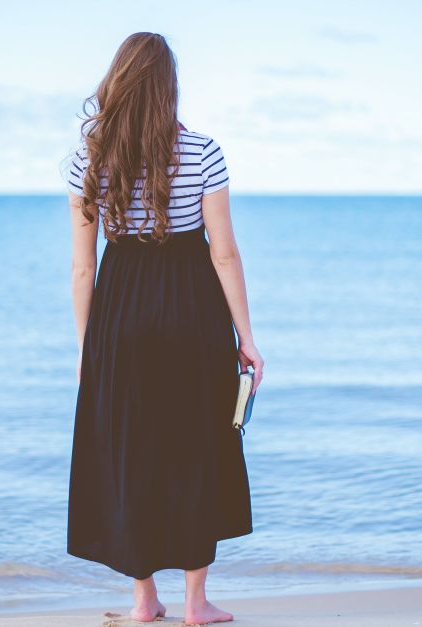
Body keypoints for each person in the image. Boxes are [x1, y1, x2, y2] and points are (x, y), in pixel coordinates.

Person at [64, 32, 264, 625]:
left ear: (118, 81)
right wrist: (247, 337)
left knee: (132, 452)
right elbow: (224, 255)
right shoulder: (204, 152)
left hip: (120, 314)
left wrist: (87, 347)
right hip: (192, 311)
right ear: (169, 87)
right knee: (198, 447)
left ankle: (144, 600)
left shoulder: (90, 158)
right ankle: (196, 602)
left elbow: (82, 267)